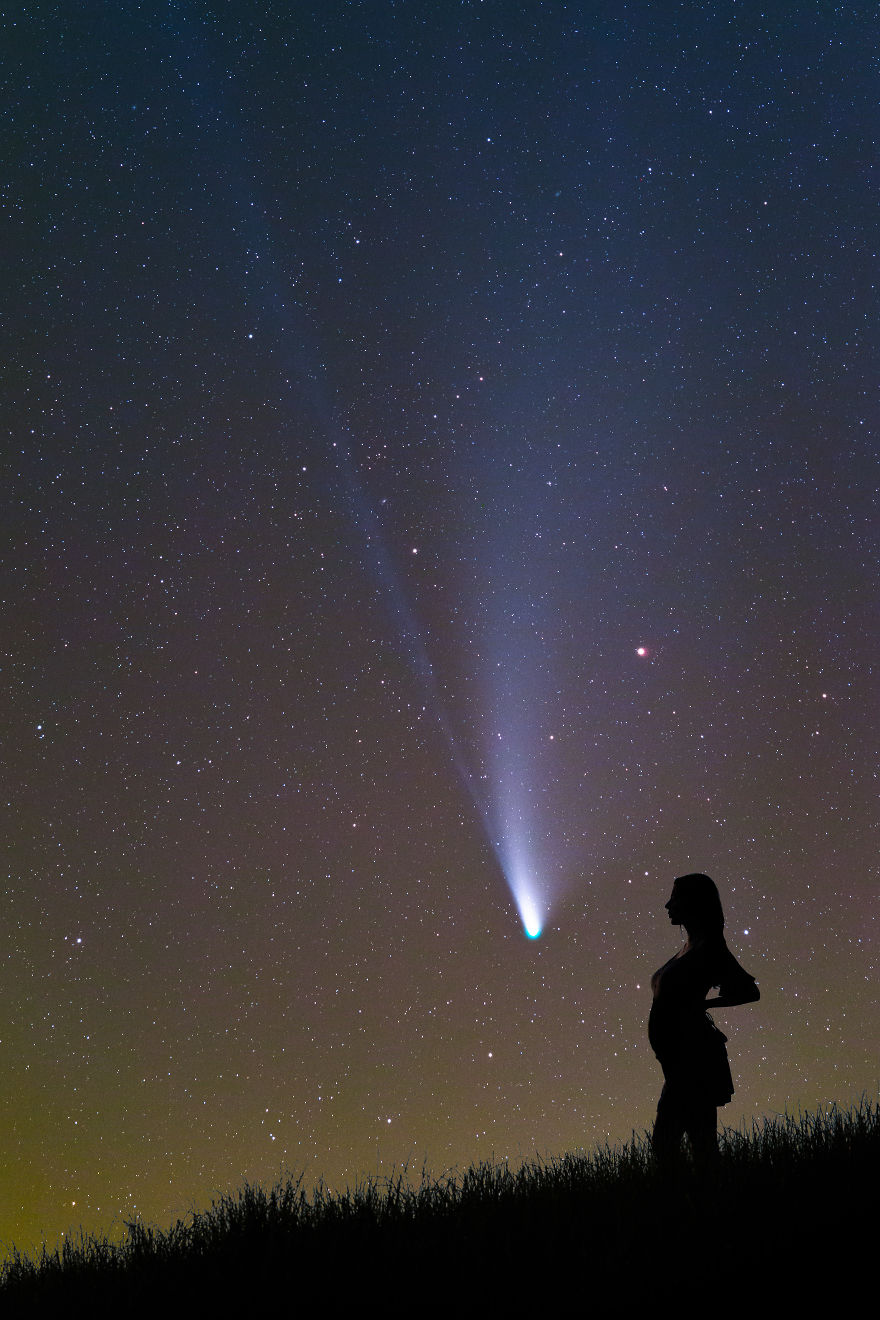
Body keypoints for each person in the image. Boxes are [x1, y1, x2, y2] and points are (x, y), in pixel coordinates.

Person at [649, 872, 759, 1168]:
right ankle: (707, 1201)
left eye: (675, 897)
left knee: (670, 1142)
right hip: (679, 1061)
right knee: (698, 1142)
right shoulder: (689, 948)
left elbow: (749, 991)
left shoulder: (709, 948)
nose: (667, 905)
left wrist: (702, 1004)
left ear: (692, 902)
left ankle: (698, 1204)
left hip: (695, 1058)